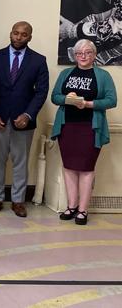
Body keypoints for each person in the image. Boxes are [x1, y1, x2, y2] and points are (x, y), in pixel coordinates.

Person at [0, 21, 49, 218]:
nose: (19, 37)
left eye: (24, 34)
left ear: (30, 37)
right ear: (10, 33)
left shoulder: (38, 60)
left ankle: (18, 201)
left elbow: (41, 92)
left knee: (21, 162)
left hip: (23, 121)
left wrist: (28, 115)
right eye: (16, 33)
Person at [50, 39, 117, 225]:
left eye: (88, 52)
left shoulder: (103, 75)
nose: (83, 56)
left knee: (86, 168)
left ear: (94, 55)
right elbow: (55, 97)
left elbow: (112, 100)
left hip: (90, 128)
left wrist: (88, 104)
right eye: (79, 53)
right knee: (69, 166)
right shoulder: (65, 73)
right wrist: (67, 98)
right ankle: (71, 206)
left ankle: (82, 210)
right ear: (75, 55)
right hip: (67, 126)